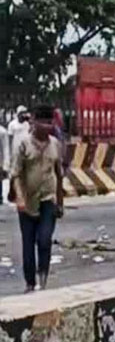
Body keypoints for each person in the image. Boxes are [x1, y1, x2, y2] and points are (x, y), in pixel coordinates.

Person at [11, 104, 64, 292]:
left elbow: (59, 175)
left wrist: (60, 202)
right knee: (28, 243)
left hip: (48, 200)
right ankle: (30, 283)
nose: (47, 126)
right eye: (43, 122)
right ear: (33, 121)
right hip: (27, 201)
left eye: (49, 122)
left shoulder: (55, 144)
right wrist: (19, 198)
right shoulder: (23, 144)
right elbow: (15, 174)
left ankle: (43, 278)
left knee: (45, 239)